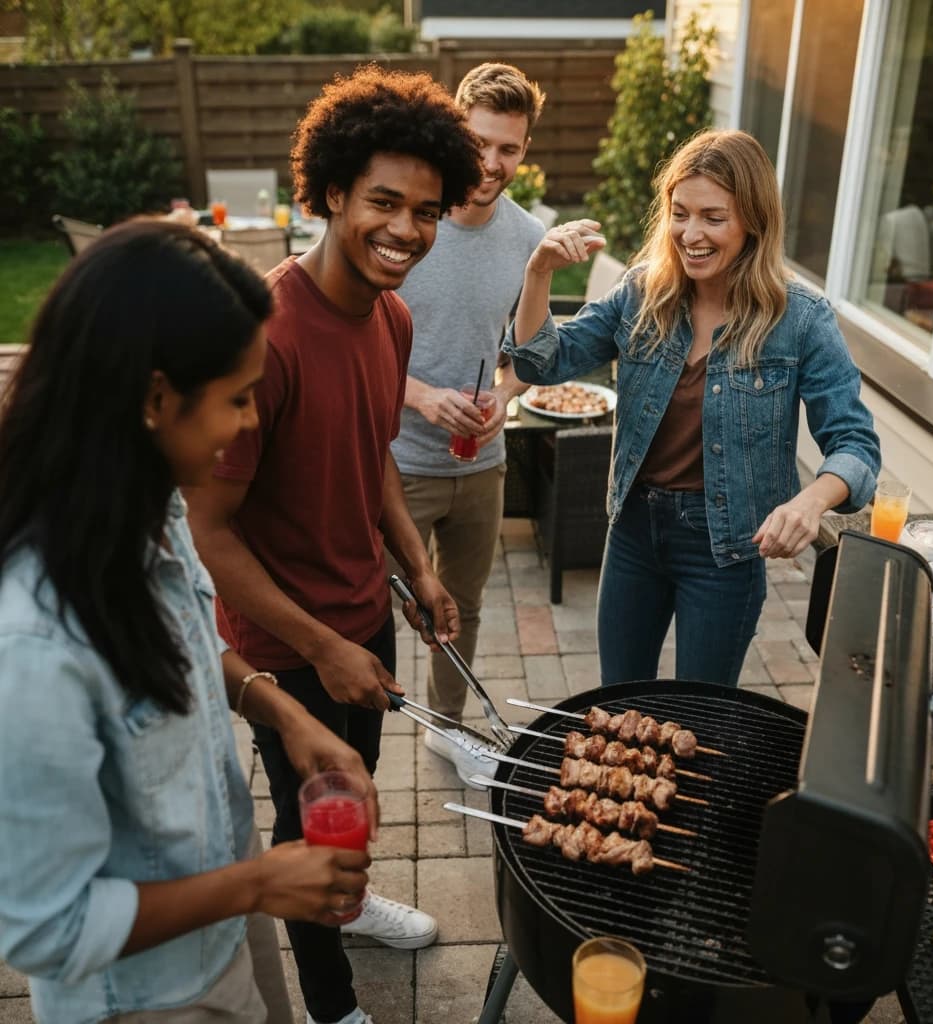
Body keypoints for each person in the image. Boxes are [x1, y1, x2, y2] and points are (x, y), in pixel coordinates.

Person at [0, 219, 376, 1024]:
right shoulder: (31, 648)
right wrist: (260, 882)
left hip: (226, 913)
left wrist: (282, 708)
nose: (250, 423)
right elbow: (43, 927)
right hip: (145, 996)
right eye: (237, 399)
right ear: (155, 398)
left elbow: (186, 644)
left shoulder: (147, 499)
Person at [184, 67, 483, 1024]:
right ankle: (329, 1003)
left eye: (427, 211)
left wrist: (418, 568)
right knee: (310, 812)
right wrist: (319, 645)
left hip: (363, 620)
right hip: (287, 644)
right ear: (332, 195)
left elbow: (374, 458)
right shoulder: (262, 336)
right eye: (384, 203)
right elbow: (209, 532)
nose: (406, 230)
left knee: (353, 790)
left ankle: (346, 907)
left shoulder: (391, 318)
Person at [503, 129, 881, 687]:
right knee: (619, 703)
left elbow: (856, 445)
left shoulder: (800, 318)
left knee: (700, 715)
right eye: (680, 214)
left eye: (713, 217)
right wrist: (538, 271)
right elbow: (540, 363)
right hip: (633, 531)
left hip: (724, 549)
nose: (691, 234)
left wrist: (810, 502)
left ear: (752, 220)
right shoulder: (641, 294)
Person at [393, 62, 546, 786]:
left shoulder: (527, 238)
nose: (491, 164)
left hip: (480, 463)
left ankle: (446, 730)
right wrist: (421, 395)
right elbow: (353, 337)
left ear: (524, 150)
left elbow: (527, 353)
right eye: (480, 142)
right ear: (457, 130)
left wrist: (506, 396)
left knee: (466, 605)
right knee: (376, 603)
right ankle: (363, 723)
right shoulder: (408, 220)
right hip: (395, 458)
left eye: (508, 148)